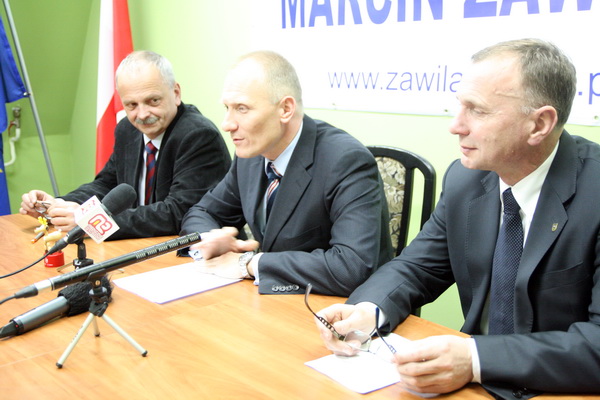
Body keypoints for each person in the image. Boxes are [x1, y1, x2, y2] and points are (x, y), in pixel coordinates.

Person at [314, 38, 600, 399]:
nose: (456, 126)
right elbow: (416, 268)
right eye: (459, 106)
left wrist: (475, 358)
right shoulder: (465, 178)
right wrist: (369, 310)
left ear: (539, 124)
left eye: (477, 111)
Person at [179, 50, 392, 296]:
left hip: (337, 307)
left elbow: (351, 267)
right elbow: (203, 211)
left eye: (242, 108)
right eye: (227, 108)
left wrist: (249, 264)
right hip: (272, 301)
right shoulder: (250, 155)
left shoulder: (345, 161)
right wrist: (210, 240)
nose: (227, 124)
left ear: (285, 109)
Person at [19, 50, 231, 239]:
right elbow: (107, 184)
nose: (142, 114)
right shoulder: (127, 129)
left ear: (176, 93)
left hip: (193, 251)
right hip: (139, 245)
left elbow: (178, 213)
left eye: (153, 101)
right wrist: (57, 205)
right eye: (131, 105)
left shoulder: (198, 135)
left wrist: (91, 222)